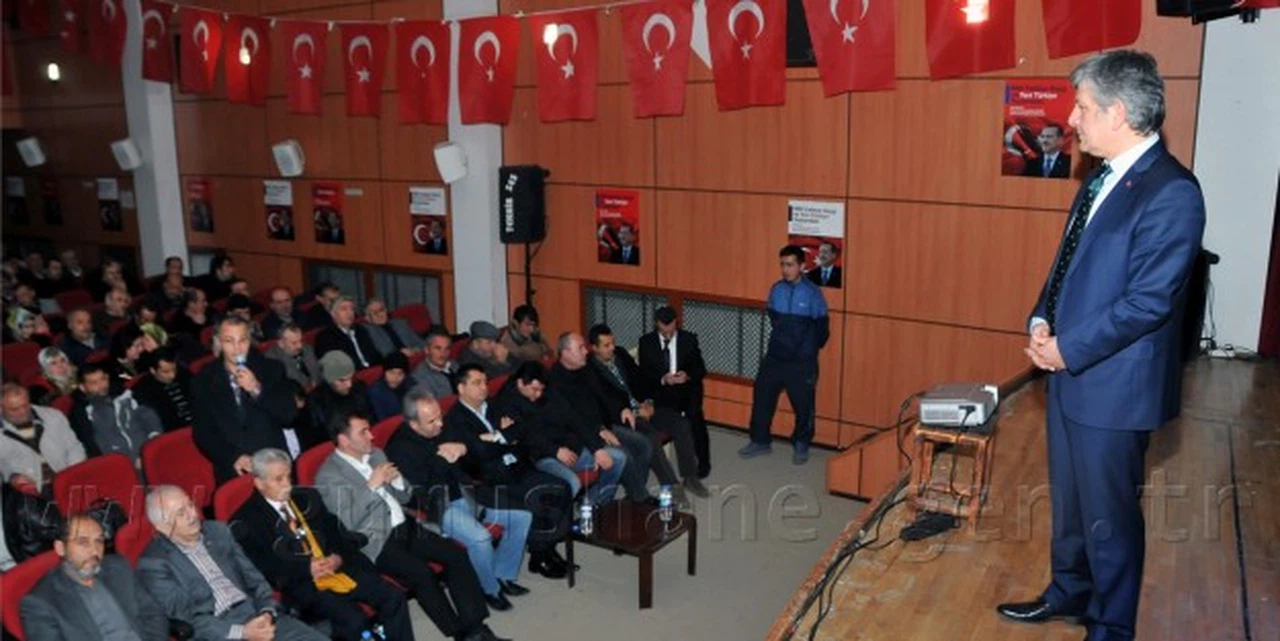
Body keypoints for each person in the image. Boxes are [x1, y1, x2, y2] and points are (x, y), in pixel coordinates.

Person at [996, 51, 1207, 641]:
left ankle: (1112, 627)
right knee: (1071, 504)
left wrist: (1068, 348)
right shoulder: (1098, 179)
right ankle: (1068, 592)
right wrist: (1043, 317)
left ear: (1117, 113)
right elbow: (1068, 263)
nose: (1071, 119)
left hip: (1115, 385)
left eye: (1083, 108)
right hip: (1070, 373)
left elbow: (1148, 302)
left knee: (1108, 517)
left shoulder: (1173, 192)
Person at [315, 413, 509, 641]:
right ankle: (459, 633)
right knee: (422, 574)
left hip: (405, 525)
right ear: (344, 440)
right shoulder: (328, 476)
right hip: (376, 541)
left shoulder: (376, 454)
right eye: (363, 432)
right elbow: (349, 521)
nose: (372, 436)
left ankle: (475, 626)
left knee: (456, 556)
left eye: (369, 429)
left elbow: (406, 496)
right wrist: (372, 486)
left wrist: (397, 481)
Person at [230, 448, 414, 641]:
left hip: (337, 568)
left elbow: (336, 533)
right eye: (278, 479)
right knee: (354, 621)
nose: (287, 484)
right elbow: (263, 568)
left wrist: (337, 557)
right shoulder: (246, 521)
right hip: (303, 583)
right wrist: (306, 569)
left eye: (288, 476)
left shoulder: (306, 498)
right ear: (259, 483)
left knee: (393, 596)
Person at [388, 390, 535, 611]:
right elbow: (419, 494)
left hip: (467, 493)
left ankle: (503, 575)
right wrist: (441, 460)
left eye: (440, 416)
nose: (440, 424)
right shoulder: (399, 450)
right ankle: (489, 589)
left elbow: (476, 450)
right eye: (432, 421)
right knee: (481, 538)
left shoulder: (442, 427)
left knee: (522, 518)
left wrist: (463, 448)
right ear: (414, 425)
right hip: (436, 507)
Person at [138, 485, 327, 641]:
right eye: (181, 513)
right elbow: (187, 620)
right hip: (219, 632)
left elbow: (255, 581)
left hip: (257, 615)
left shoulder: (218, 532)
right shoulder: (154, 564)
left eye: (190, 504)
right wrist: (242, 632)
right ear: (162, 526)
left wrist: (267, 612)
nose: (192, 514)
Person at [443, 366, 573, 579]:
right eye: (476, 383)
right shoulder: (455, 420)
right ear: (461, 388)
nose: (484, 387)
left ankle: (544, 548)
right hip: (491, 480)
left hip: (517, 466)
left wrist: (495, 437)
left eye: (485, 382)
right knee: (539, 497)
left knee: (562, 487)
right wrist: (504, 436)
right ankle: (540, 553)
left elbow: (522, 429)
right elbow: (479, 453)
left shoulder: (496, 404)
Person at [585, 324, 707, 499]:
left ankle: (690, 477)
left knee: (681, 424)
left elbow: (640, 378)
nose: (612, 348)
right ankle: (672, 487)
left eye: (613, 343)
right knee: (651, 438)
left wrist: (649, 402)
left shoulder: (620, 354)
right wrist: (633, 412)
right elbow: (603, 402)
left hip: (644, 405)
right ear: (594, 348)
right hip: (624, 417)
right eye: (606, 345)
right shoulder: (589, 369)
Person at [491, 361, 629, 509]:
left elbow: (573, 418)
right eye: (534, 389)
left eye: (541, 390)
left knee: (618, 457)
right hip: (541, 457)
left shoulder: (549, 391)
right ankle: (558, 519)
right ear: (520, 383)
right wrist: (555, 451)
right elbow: (526, 437)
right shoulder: (505, 403)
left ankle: (593, 505)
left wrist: (596, 448)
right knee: (571, 483)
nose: (539, 394)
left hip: (571, 446)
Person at [739, 245, 830, 465]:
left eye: (790, 265)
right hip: (776, 356)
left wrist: (808, 348)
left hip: (801, 361)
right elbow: (774, 318)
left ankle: (801, 443)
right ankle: (760, 440)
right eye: (782, 265)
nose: (785, 269)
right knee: (762, 396)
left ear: (802, 266)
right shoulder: (776, 289)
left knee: (803, 404)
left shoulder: (812, 293)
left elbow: (822, 329)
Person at [20, 514, 169, 641]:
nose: (94, 550)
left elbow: (153, 613)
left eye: (99, 541)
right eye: (83, 542)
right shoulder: (40, 603)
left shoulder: (118, 568)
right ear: (61, 548)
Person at [547, 332, 654, 504]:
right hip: (581, 435)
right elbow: (573, 420)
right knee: (623, 453)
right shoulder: (555, 381)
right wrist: (600, 430)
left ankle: (634, 494)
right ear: (566, 353)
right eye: (580, 348)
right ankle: (640, 499)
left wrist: (621, 409)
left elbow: (604, 395)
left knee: (644, 444)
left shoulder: (585, 369)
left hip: (603, 425)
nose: (586, 351)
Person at [190, 316, 298, 483]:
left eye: (242, 340)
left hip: (274, 466)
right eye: (229, 341)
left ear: (250, 340)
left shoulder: (272, 369)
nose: (237, 348)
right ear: (218, 342)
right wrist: (233, 457)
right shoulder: (203, 380)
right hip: (233, 469)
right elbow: (203, 432)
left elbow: (288, 415)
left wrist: (256, 389)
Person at [638, 306, 711, 479]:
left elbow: (700, 369)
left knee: (696, 419)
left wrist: (687, 375)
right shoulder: (646, 342)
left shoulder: (689, 340)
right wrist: (663, 379)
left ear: (676, 322)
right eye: (663, 329)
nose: (668, 333)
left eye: (671, 327)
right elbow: (644, 375)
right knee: (663, 419)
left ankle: (703, 461)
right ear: (656, 324)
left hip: (686, 389)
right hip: (661, 390)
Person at [67, 362, 163, 466]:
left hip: (149, 450)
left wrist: (153, 439)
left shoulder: (125, 395)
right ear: (82, 387)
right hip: (119, 463)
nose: (101, 385)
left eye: (103, 379)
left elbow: (148, 416)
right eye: (94, 383)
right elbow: (94, 446)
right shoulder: (82, 413)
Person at [0, 383, 86, 494]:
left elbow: (74, 448)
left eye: (25, 405)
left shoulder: (53, 416)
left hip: (67, 481)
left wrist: (72, 474)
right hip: (26, 494)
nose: (23, 412)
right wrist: (11, 478)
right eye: (14, 409)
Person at [130, 347, 195, 433]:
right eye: (165, 372)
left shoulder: (184, 375)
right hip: (176, 432)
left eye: (174, 369)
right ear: (153, 370)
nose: (172, 375)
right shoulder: (144, 390)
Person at [309, 351, 372, 430]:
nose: (349, 384)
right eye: (342, 380)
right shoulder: (317, 402)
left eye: (350, 378)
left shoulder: (360, 388)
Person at [315, 295, 382, 369]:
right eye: (344, 309)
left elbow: (375, 355)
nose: (349, 313)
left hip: (373, 371)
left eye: (352, 309)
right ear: (333, 314)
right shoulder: (326, 338)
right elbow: (335, 367)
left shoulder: (360, 330)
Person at [266, 323, 323, 392]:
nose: (300, 346)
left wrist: (315, 383)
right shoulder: (272, 359)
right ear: (281, 343)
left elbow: (317, 373)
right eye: (294, 343)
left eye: (301, 340)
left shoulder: (307, 348)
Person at [368, 352, 416, 422]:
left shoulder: (411, 385)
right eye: (391, 372)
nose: (395, 377)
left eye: (400, 373)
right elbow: (383, 421)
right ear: (384, 372)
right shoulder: (376, 392)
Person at [412, 326, 458, 399]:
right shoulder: (420, 376)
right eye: (438, 348)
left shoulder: (455, 365)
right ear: (427, 350)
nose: (443, 353)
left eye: (447, 348)